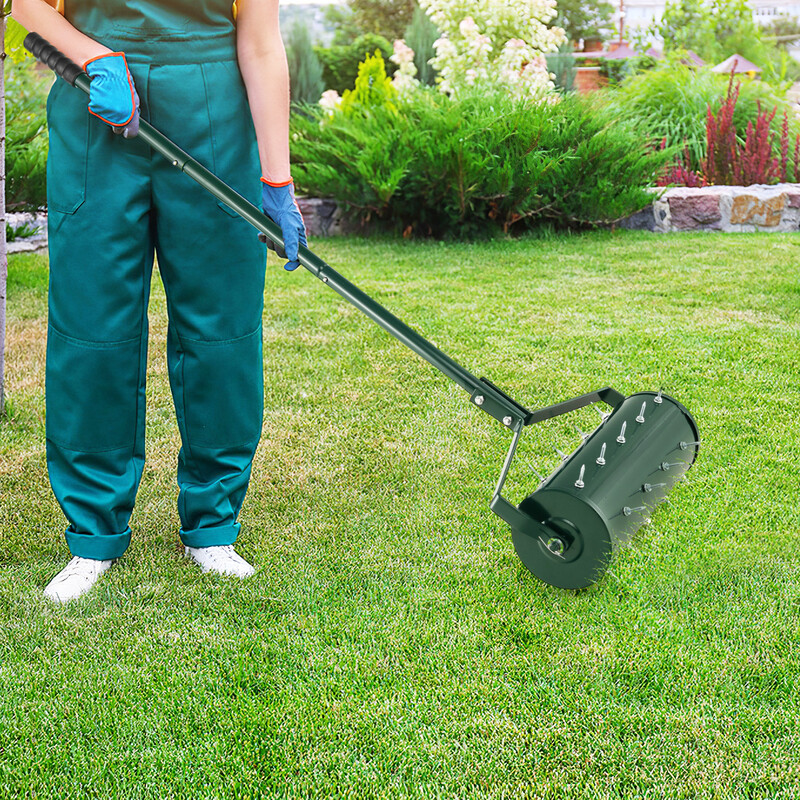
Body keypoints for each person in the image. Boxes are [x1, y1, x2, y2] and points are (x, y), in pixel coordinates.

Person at [10, 0, 306, 602]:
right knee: (92, 329)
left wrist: (278, 179)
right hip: (98, 105)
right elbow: (26, 6)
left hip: (214, 114)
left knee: (221, 330)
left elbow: (260, 42)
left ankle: (212, 524)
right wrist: (95, 56)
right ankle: (92, 533)